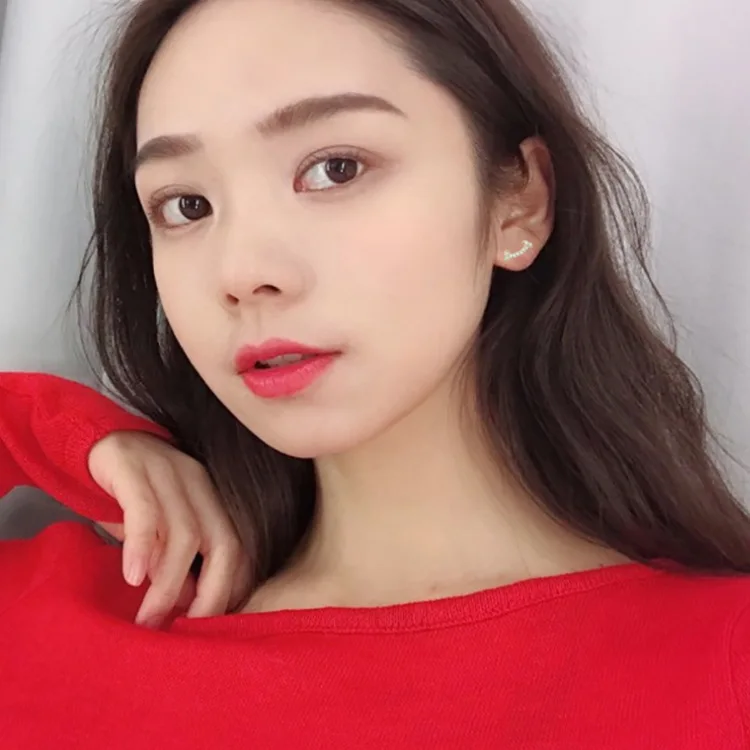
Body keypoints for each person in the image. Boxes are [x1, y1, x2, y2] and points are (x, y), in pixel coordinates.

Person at [1, 0, 750, 746]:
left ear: (521, 202)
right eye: (186, 205)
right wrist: (73, 437)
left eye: (336, 169)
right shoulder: (67, 622)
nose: (242, 271)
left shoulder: (723, 659)